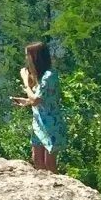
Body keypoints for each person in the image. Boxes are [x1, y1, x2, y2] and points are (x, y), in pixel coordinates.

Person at [11, 40, 66, 173]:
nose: (26, 59)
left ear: (35, 57)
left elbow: (36, 99)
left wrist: (25, 81)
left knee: (49, 163)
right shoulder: (39, 77)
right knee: (37, 159)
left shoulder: (49, 76)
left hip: (51, 123)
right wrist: (26, 102)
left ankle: (56, 188)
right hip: (39, 122)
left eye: (27, 55)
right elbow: (40, 100)